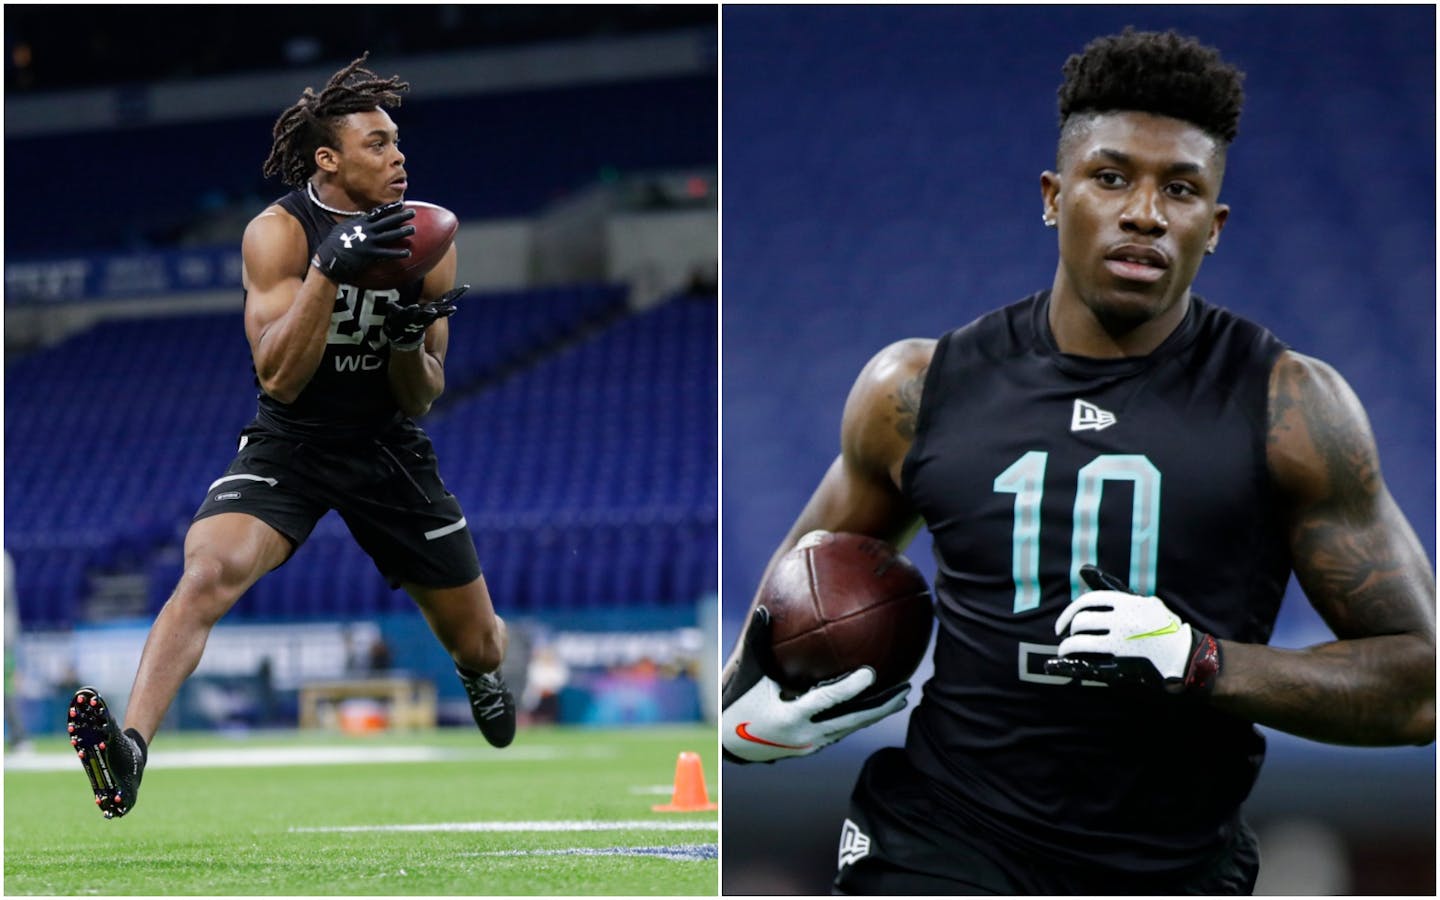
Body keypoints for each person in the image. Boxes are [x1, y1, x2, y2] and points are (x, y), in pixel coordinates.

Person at [720, 28, 1435, 894]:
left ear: (1214, 226)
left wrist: (1202, 661)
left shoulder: (1292, 408)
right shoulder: (914, 390)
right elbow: (791, 595)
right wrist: (740, 720)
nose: (1143, 212)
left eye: (1180, 189)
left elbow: (1419, 686)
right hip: (942, 840)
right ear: (1054, 197)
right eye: (1111, 177)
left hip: (1169, 864)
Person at [69, 54, 517, 820]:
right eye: (376, 143)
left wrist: (408, 342)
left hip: (387, 447)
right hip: (294, 440)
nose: (398, 155)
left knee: (480, 645)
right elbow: (277, 376)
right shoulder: (277, 234)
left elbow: (423, 396)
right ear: (327, 159)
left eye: (397, 141)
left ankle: (478, 674)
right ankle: (133, 751)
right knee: (208, 570)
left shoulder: (431, 239)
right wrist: (327, 275)